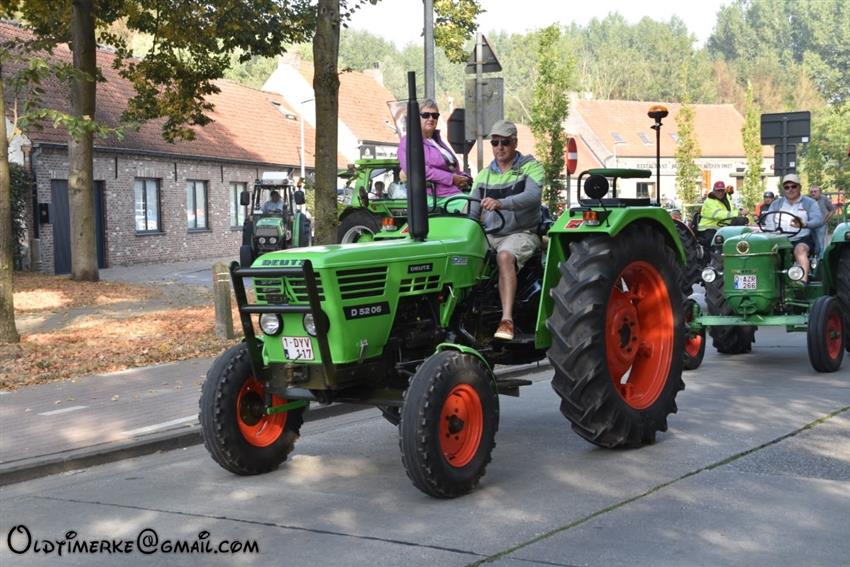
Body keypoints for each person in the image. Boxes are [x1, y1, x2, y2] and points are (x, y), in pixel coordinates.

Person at [469, 120, 544, 341]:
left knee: (504, 256)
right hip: (491, 234)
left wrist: (502, 203)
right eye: (495, 143)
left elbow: (532, 197)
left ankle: (507, 320)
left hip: (521, 232)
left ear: (515, 143)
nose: (499, 147)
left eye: (505, 142)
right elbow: (472, 209)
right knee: (463, 255)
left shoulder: (530, 167)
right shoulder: (484, 175)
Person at [397, 99, 471, 207]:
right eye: (426, 115)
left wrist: (464, 178)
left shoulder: (437, 141)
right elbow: (416, 170)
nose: (431, 118)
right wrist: (451, 179)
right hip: (433, 196)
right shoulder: (409, 142)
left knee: (486, 201)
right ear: (416, 118)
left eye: (435, 115)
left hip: (452, 192)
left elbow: (452, 168)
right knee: (475, 207)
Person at [765, 174, 824, 283]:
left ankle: (802, 282)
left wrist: (804, 224)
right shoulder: (776, 204)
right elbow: (769, 222)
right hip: (780, 239)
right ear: (783, 189)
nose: (790, 189)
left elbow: (818, 220)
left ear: (799, 187)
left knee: (800, 250)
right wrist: (772, 234)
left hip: (802, 238)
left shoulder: (809, 203)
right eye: (787, 187)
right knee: (764, 251)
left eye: (793, 186)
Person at [697, 180, 748, 247]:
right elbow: (718, 214)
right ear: (713, 191)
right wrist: (737, 213)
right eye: (718, 191)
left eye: (722, 190)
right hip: (708, 228)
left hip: (723, 228)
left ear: (724, 191)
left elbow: (732, 210)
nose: (720, 193)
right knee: (717, 243)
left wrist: (740, 212)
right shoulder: (709, 202)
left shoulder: (727, 200)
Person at [808, 185, 835, 257]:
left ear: (820, 192)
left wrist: (826, 219)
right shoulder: (808, 200)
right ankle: (812, 259)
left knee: (820, 243)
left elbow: (832, 210)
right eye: (811, 192)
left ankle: (820, 259)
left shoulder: (824, 199)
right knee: (812, 243)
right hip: (811, 225)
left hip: (821, 225)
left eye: (815, 191)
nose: (813, 193)